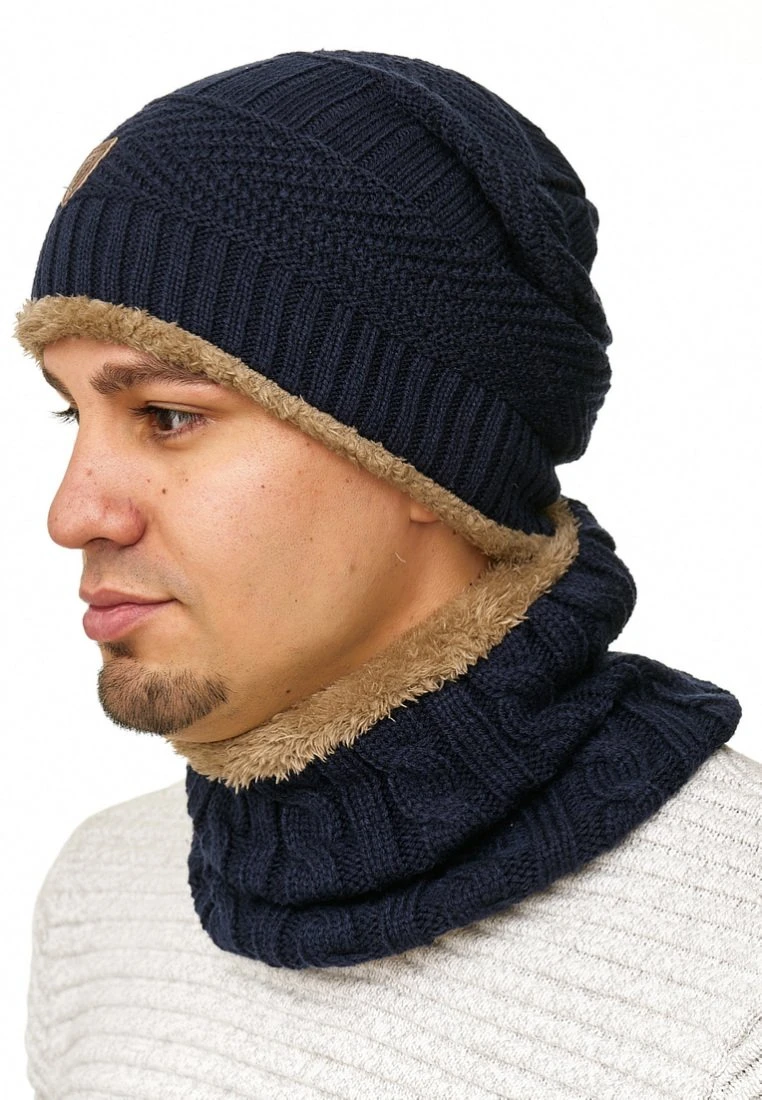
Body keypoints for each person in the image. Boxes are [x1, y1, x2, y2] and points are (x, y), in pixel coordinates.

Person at [14, 49, 761, 1099]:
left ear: (421, 458)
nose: (73, 513)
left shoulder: (736, 972)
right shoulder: (102, 905)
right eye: (72, 412)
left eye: (169, 415)